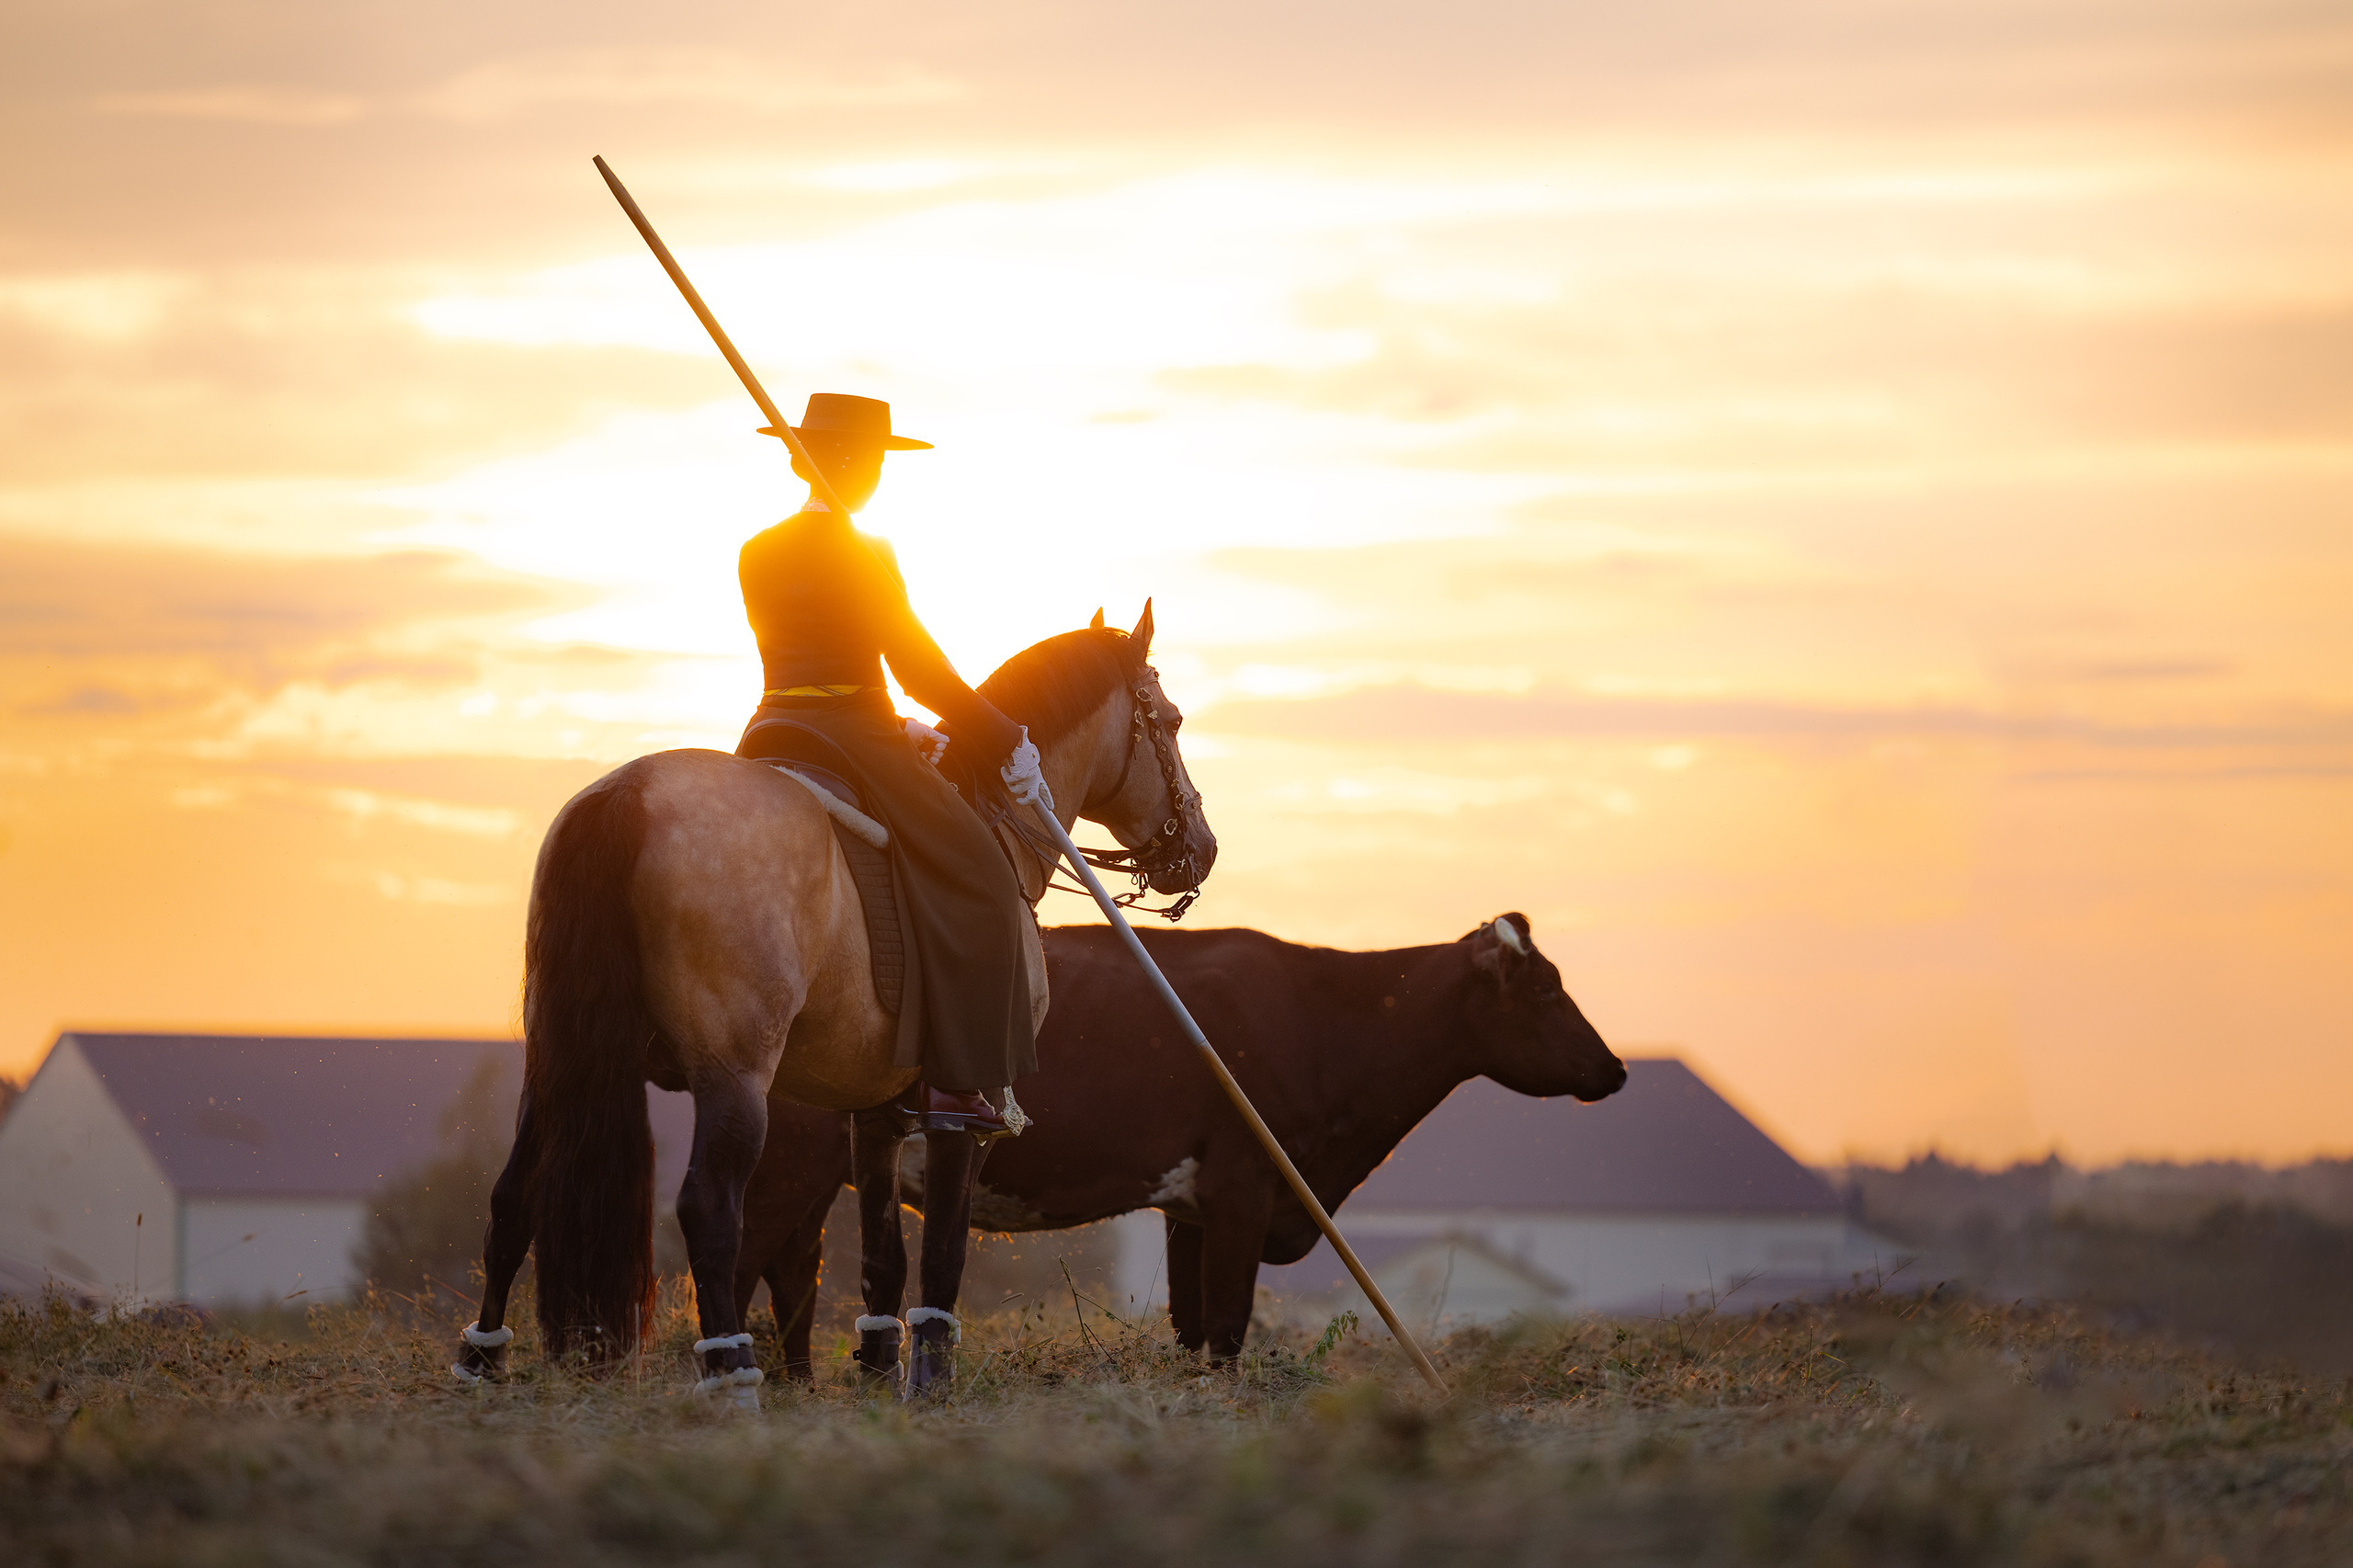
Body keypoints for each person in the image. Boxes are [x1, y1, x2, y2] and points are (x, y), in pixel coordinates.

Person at [733, 392, 1041, 1136]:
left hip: (772, 727)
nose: (875, 476)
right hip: (853, 736)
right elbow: (917, 667)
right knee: (985, 882)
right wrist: (1005, 738)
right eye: (873, 461)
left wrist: (898, 720)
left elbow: (811, 660)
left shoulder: (758, 550)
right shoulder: (871, 551)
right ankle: (952, 1085)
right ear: (859, 464)